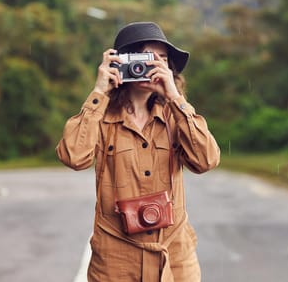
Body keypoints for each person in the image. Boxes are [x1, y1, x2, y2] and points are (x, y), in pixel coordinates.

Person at [56, 22, 220, 282]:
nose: (151, 66)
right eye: (143, 58)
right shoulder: (102, 116)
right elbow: (73, 156)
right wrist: (99, 92)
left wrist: (176, 98)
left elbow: (206, 160)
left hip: (174, 256)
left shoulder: (175, 115)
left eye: (161, 60)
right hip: (116, 260)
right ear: (121, 62)